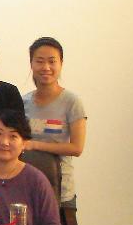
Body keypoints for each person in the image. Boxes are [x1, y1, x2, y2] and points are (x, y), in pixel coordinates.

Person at [23, 36, 87, 210]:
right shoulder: (23, 101)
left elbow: (77, 148)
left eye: (52, 61)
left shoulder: (72, 102)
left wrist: (35, 145)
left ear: (61, 64)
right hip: (29, 187)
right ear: (31, 64)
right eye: (39, 61)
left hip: (61, 189)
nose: (46, 67)